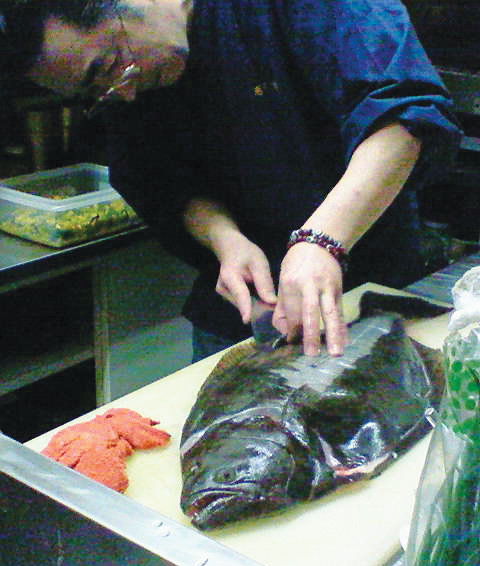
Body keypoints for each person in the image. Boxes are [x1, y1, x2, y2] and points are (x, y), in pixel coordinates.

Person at [0, 0, 462, 361]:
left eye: (108, 65)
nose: (125, 91)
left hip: (372, 293)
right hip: (243, 313)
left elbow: (404, 116)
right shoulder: (128, 83)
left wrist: (321, 242)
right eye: (95, 92)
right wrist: (225, 240)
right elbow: (157, 179)